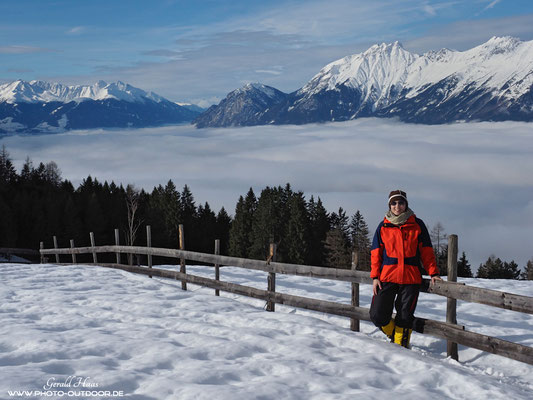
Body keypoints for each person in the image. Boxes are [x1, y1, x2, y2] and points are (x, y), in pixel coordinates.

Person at [369, 190, 442, 348]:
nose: (397, 206)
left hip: (410, 278)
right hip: (387, 277)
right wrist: (375, 276)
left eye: (400, 203)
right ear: (389, 205)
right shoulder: (383, 226)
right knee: (377, 315)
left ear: (406, 204)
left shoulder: (417, 224)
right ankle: (395, 335)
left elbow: (426, 251)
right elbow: (376, 254)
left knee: (405, 316)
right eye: (394, 203)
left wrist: (433, 272)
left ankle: (400, 348)